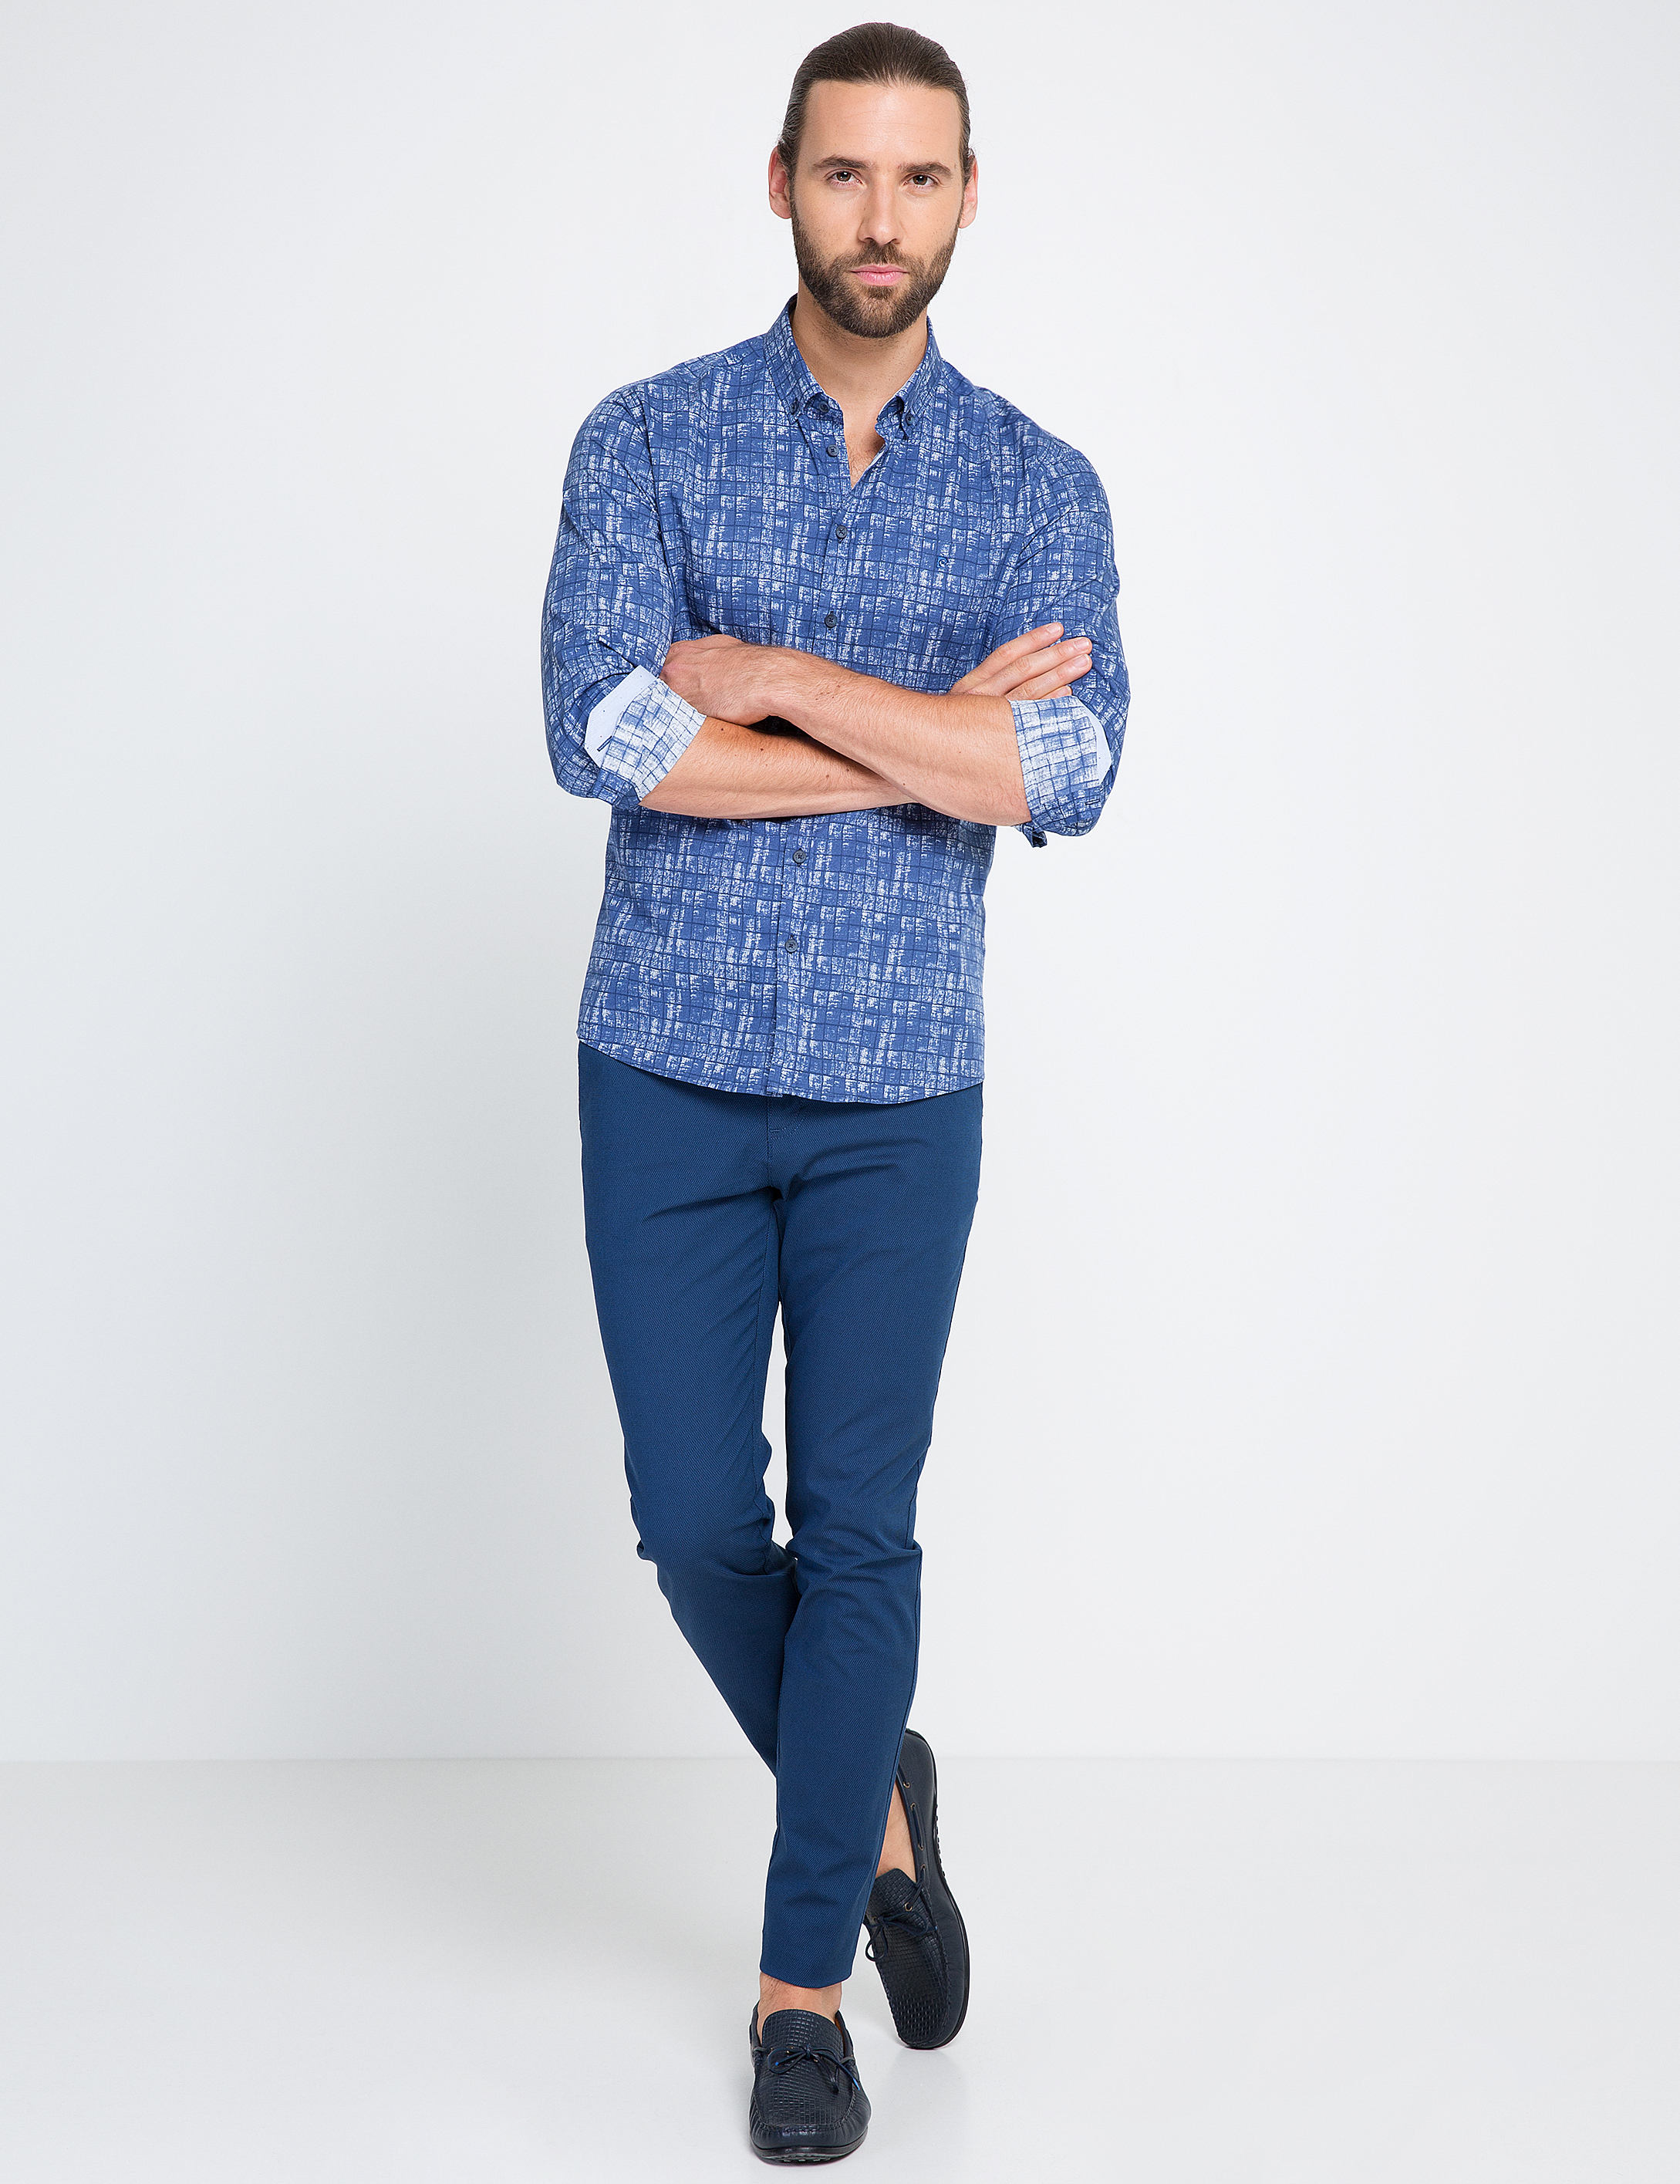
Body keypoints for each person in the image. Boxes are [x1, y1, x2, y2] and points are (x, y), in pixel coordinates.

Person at [541, 20, 1127, 2164]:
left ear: (967, 196)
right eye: (847, 172)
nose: (882, 219)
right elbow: (609, 736)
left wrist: (781, 680)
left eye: (920, 176)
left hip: (900, 1086)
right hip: (666, 1070)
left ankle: (803, 1988)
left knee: (862, 1531)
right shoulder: (647, 441)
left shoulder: (1038, 487)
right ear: (782, 181)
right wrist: (921, 740)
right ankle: (877, 1793)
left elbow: (1067, 768)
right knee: (696, 1520)